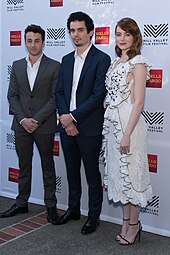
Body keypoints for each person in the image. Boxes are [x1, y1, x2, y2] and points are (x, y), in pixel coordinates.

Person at [55, 11, 111, 234]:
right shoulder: (66, 59)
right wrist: (65, 119)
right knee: (71, 171)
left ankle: (94, 216)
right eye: (72, 30)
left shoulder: (101, 59)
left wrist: (73, 117)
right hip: (66, 125)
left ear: (90, 32)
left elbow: (98, 95)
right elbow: (59, 92)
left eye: (80, 30)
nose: (75, 34)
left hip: (88, 126)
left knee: (91, 174)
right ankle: (73, 209)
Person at [0, 24, 60, 224]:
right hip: (21, 125)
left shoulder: (54, 66)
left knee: (47, 166)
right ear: (25, 42)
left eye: (36, 40)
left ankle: (51, 206)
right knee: (23, 165)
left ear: (43, 42)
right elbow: (12, 95)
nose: (32, 45)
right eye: (29, 40)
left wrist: (37, 119)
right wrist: (24, 119)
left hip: (45, 125)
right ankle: (21, 202)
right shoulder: (17, 65)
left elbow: (54, 98)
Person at [101, 17, 153, 245]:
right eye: (119, 34)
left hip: (129, 126)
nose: (122, 39)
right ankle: (125, 221)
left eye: (127, 35)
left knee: (131, 175)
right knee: (119, 178)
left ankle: (134, 225)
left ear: (135, 37)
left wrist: (126, 134)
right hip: (113, 125)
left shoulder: (139, 63)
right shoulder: (115, 63)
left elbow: (139, 102)